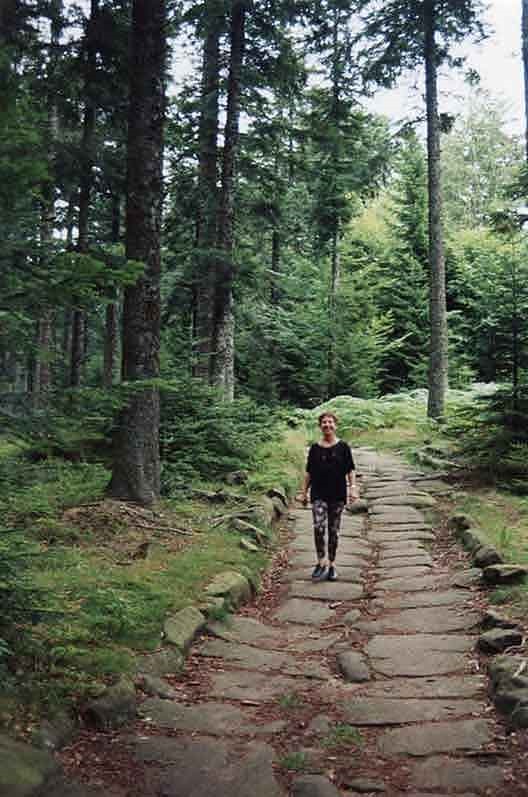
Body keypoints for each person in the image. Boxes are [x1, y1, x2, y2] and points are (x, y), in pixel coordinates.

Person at [300, 412, 358, 581]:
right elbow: (308, 473)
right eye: (324, 422)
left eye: (330, 422)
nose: (327, 425)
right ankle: (320, 562)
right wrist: (303, 492)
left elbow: (350, 470)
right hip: (318, 493)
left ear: (335, 425)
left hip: (338, 494)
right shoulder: (314, 448)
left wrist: (353, 488)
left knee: (334, 531)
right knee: (318, 527)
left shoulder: (343, 447)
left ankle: (332, 564)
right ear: (320, 426)